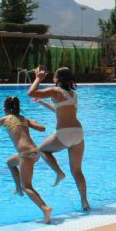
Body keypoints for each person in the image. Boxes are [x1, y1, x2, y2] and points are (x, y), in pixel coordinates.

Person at [0, 96, 52, 223]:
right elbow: (43, 128)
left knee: (28, 186)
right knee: (10, 162)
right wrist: (34, 122)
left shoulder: (5, 119)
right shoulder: (24, 119)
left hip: (26, 154)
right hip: (34, 152)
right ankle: (18, 188)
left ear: (5, 108)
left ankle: (45, 208)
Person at [28, 66, 90, 211]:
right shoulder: (73, 95)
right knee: (77, 171)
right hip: (78, 133)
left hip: (64, 133)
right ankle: (85, 202)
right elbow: (61, 109)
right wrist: (42, 102)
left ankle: (59, 173)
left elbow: (30, 92)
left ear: (57, 79)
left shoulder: (55, 91)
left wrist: (38, 78)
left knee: (42, 150)